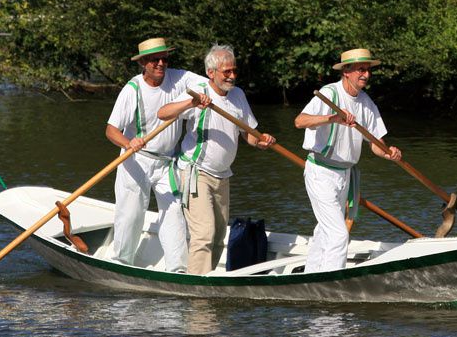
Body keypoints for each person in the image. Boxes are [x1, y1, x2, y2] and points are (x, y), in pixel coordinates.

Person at [158, 44, 276, 275]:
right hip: (196, 172)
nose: (232, 76)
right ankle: (197, 288)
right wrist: (191, 103)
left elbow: (249, 135)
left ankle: (207, 280)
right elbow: (163, 113)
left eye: (234, 71)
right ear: (211, 73)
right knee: (204, 233)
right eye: (226, 72)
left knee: (220, 235)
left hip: (223, 175)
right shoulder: (198, 91)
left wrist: (261, 142)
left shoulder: (238, 95)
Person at [294, 48, 402, 273]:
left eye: (368, 69)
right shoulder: (329, 94)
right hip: (321, 172)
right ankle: (331, 285)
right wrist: (332, 118)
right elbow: (300, 121)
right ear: (346, 71)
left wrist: (389, 152)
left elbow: (376, 143)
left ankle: (312, 276)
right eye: (361, 69)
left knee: (325, 231)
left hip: (345, 174)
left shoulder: (366, 103)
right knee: (338, 233)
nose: (366, 74)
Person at [105, 37, 206, 269]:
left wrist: (204, 96)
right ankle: (122, 263)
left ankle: (177, 269)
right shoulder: (132, 89)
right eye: (154, 60)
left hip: (166, 163)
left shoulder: (179, 78)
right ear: (143, 64)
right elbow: (111, 130)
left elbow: (208, 83)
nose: (161, 64)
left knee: (174, 215)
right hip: (135, 160)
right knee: (130, 216)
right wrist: (128, 143)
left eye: (164, 59)